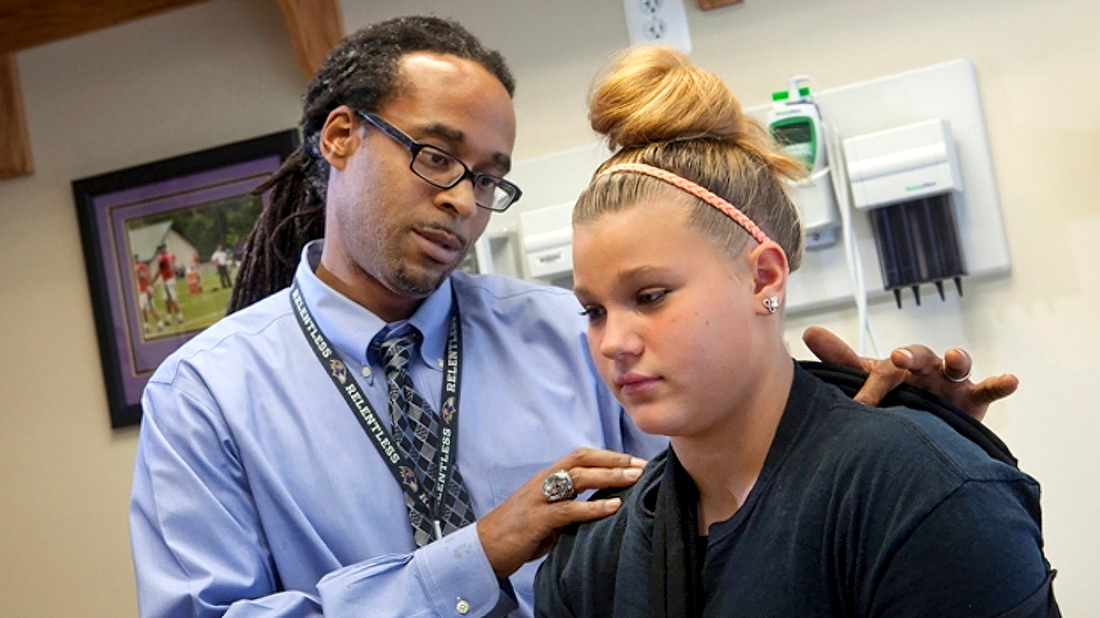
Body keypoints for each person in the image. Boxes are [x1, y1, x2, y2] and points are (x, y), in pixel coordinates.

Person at [130, 16, 1018, 618]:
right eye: (437, 157)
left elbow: (720, 516)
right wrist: (475, 555)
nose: (463, 203)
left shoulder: (565, 332)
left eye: (488, 178)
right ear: (340, 138)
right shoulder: (206, 394)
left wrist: (871, 440)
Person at [534, 46, 1058, 617]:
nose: (614, 343)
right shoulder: (592, 558)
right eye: (594, 311)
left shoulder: (922, 495)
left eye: (650, 297)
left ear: (763, 276)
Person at [151, 243, 185, 326]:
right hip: (171, 278)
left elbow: (159, 270)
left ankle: (180, 317)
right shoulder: (170, 255)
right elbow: (173, 265)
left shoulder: (162, 258)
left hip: (167, 280)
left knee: (172, 299)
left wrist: (152, 281)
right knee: (166, 300)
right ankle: (168, 318)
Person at [133, 254, 162, 334]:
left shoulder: (138, 267)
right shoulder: (143, 266)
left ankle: (159, 324)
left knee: (150, 308)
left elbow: (143, 277)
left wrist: (148, 288)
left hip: (144, 290)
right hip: (144, 289)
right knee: (143, 309)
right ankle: (146, 326)